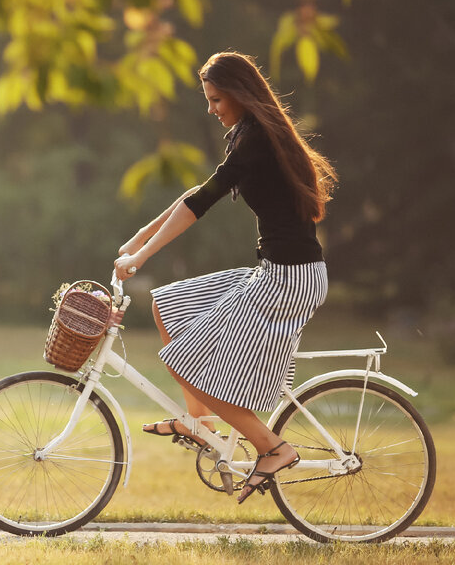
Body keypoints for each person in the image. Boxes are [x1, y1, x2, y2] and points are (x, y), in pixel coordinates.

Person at [113, 51, 337, 504]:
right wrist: (141, 235)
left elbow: (202, 204)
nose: (211, 109)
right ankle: (199, 422)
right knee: (166, 304)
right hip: (279, 271)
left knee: (184, 359)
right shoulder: (249, 135)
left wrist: (141, 256)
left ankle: (272, 448)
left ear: (237, 95)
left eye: (216, 99)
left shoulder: (255, 139)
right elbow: (198, 192)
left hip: (289, 282)